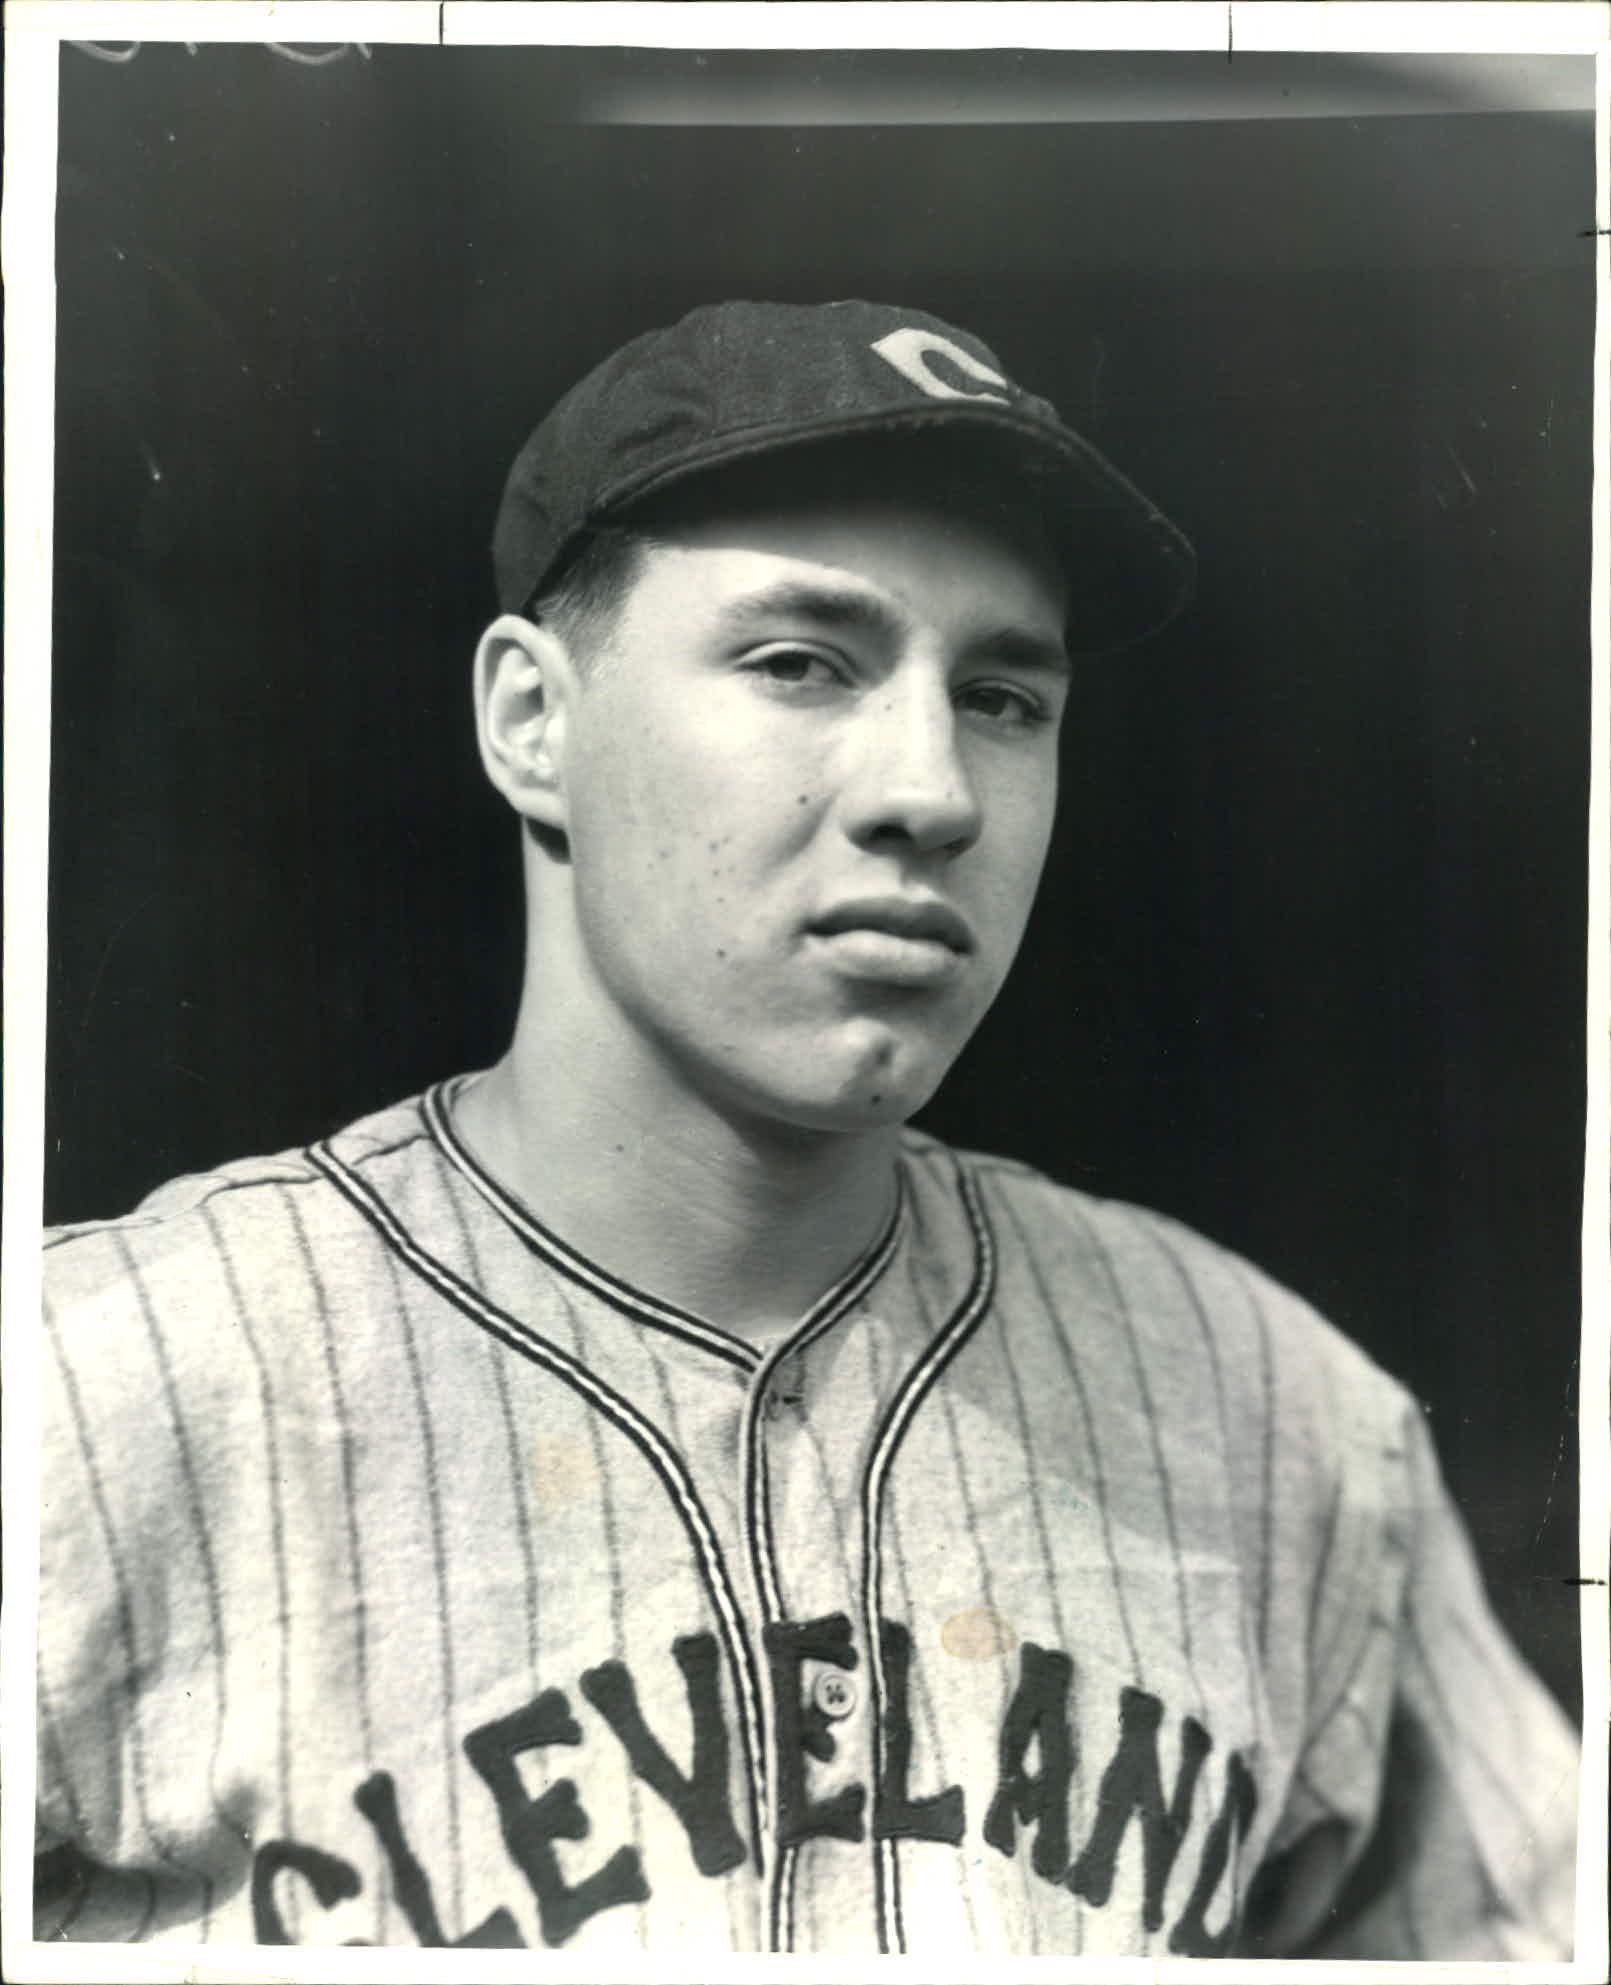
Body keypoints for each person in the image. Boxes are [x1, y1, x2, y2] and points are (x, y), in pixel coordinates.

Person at [35, 298, 1577, 1960]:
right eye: (801, 662)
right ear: (529, 720)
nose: (933, 789)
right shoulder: (87, 1395)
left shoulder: (1282, 1421)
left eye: (1002, 696)